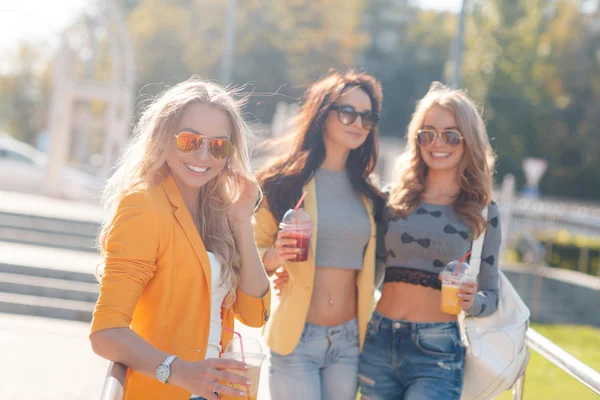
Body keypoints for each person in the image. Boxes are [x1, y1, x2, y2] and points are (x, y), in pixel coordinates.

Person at [89, 77, 271, 400]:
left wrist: (243, 223)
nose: (203, 155)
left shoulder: (219, 212)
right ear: (163, 137)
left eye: (218, 146)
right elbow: (106, 333)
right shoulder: (144, 205)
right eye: (190, 140)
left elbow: (255, 313)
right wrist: (181, 371)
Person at [357, 82, 501, 400]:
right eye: (428, 133)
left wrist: (471, 301)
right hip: (379, 339)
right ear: (417, 138)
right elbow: (371, 269)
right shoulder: (393, 198)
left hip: (436, 352)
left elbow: (491, 295)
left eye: (451, 135)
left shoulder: (483, 209)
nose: (438, 143)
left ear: (468, 142)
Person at [252, 70, 386, 400]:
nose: (358, 123)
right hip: (297, 338)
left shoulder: (370, 195)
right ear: (323, 113)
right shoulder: (282, 183)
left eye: (367, 117)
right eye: (347, 112)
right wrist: (275, 257)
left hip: (349, 341)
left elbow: (378, 262)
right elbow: (251, 254)